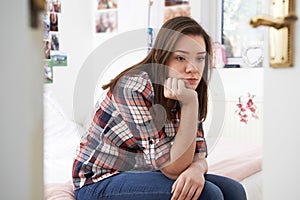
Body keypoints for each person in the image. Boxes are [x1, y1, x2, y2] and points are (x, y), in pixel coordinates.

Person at [72, 16, 247, 200]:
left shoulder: (188, 90)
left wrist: (196, 169)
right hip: (99, 181)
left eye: (200, 58)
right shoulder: (134, 87)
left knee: (234, 191)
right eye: (180, 58)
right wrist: (189, 105)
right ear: (160, 58)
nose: (193, 68)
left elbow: (199, 154)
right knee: (208, 195)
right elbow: (173, 169)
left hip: (146, 172)